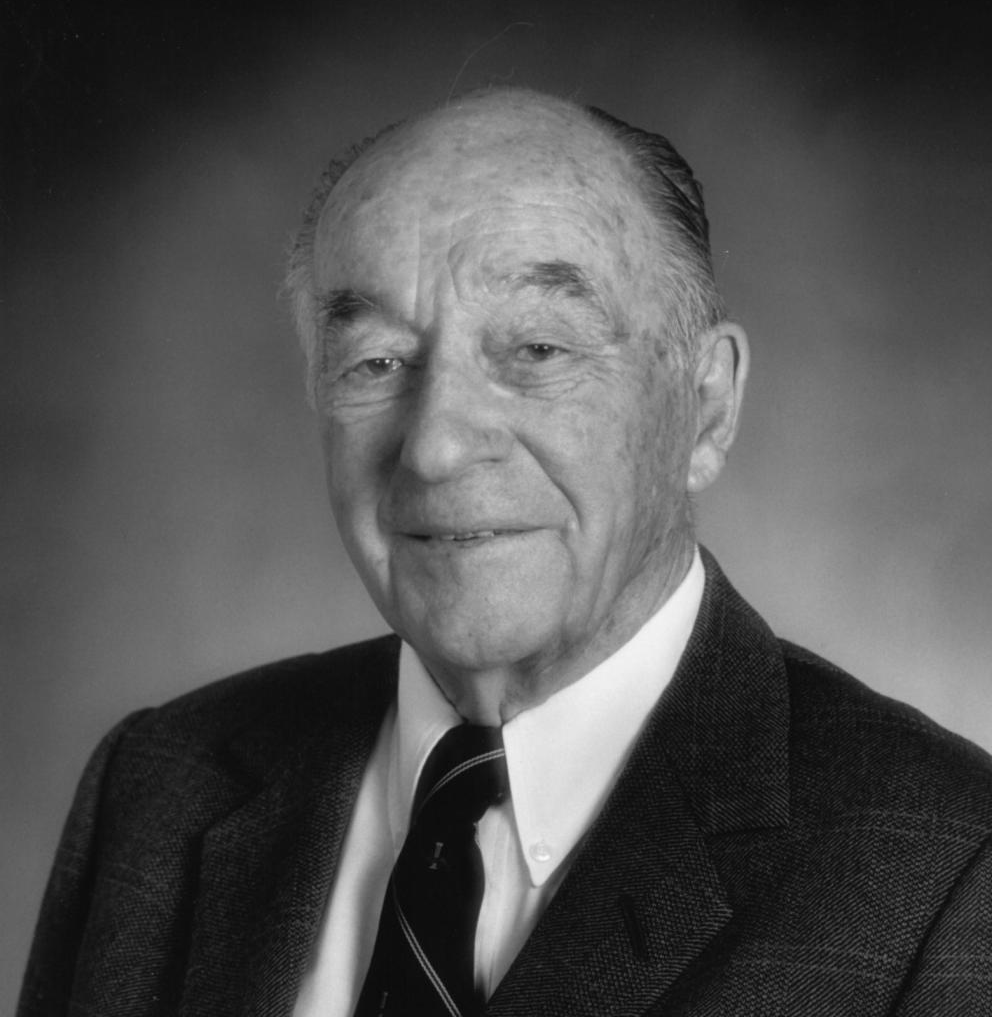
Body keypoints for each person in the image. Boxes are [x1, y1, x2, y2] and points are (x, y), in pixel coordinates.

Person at [19, 88, 992, 1017]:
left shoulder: (946, 873)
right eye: (376, 362)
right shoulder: (158, 787)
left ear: (704, 408)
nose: (437, 446)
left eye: (535, 349)